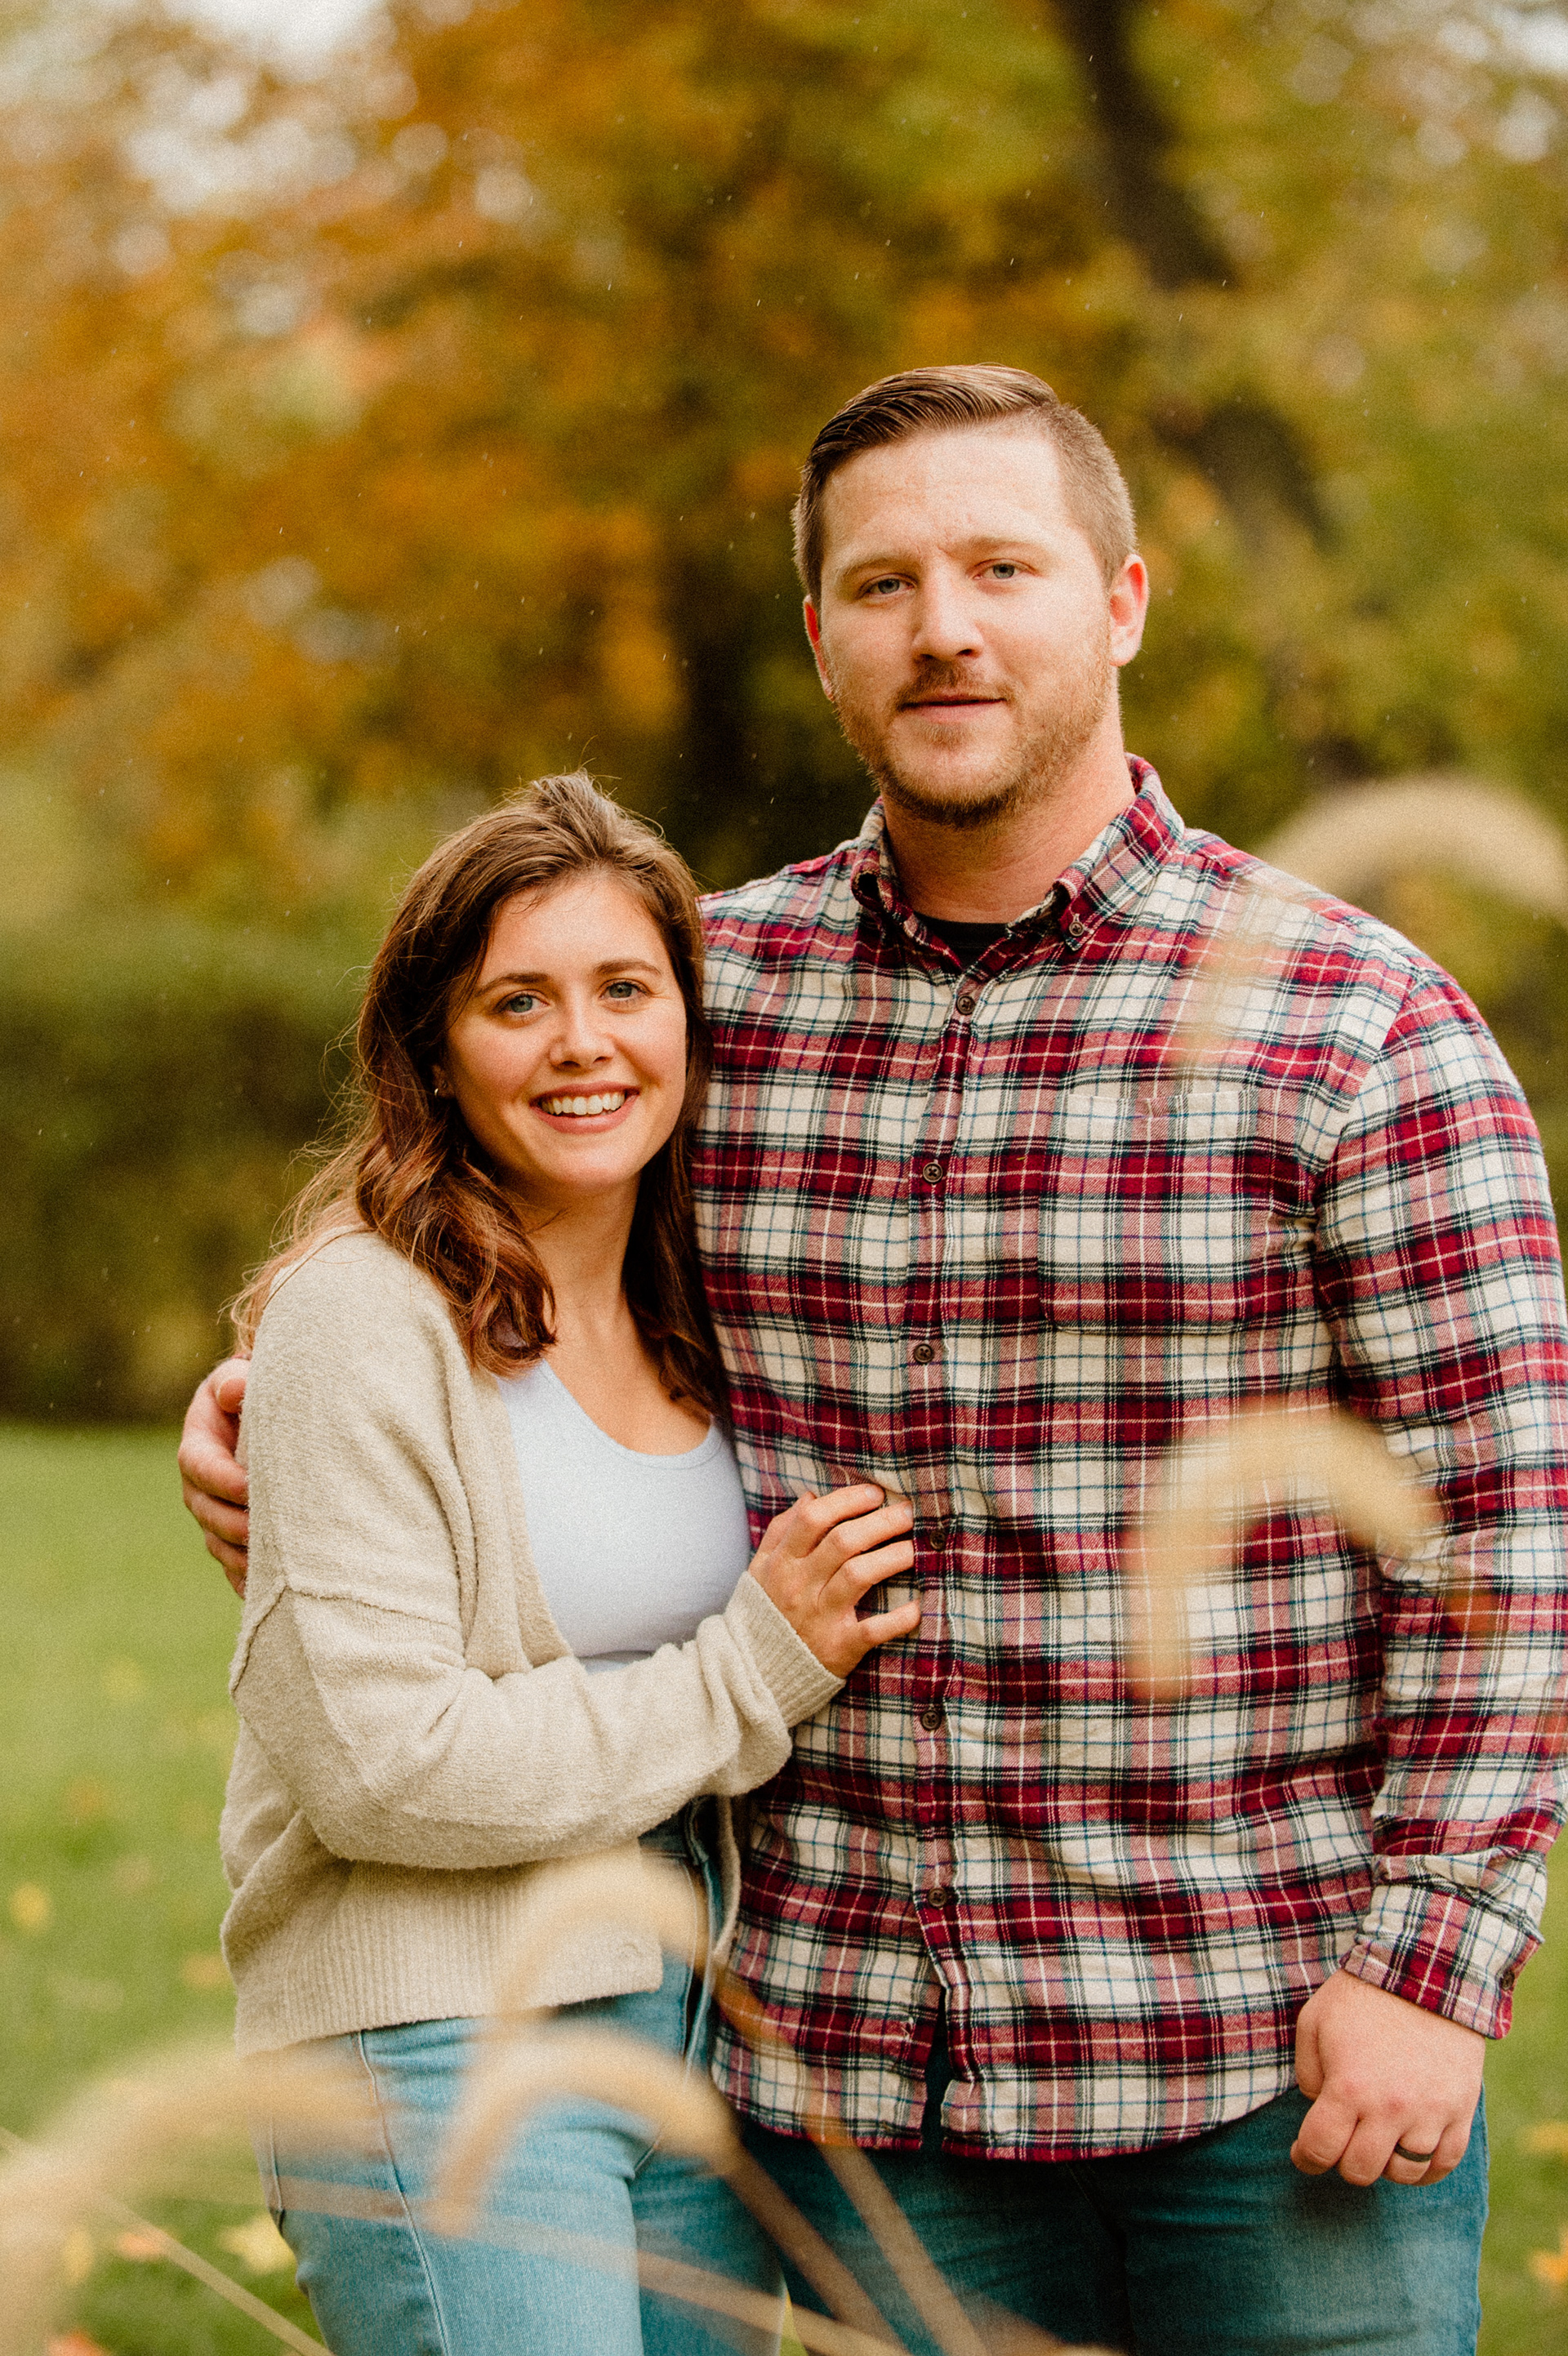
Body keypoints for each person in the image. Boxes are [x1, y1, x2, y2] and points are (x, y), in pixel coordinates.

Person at [183, 366, 1568, 2356]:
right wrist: (265, 1397)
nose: (946, 629)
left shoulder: (1352, 1024)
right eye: (886, 583)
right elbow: (458, 1225)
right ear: (821, 636)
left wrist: (1431, 1968)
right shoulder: (705, 1001)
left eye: (1003, 568)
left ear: (1123, 600)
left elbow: (1504, 1530)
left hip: (1264, 2059)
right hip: (852, 2091)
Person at [215, 773, 919, 2356]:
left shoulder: (703, 1304)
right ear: (435, 1052)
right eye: (517, 1001)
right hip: (438, 2041)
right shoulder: (364, 1316)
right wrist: (749, 1673)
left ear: (690, 1024)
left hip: (690, 2028)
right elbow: (382, 1764)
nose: (581, 1043)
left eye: (624, 989)